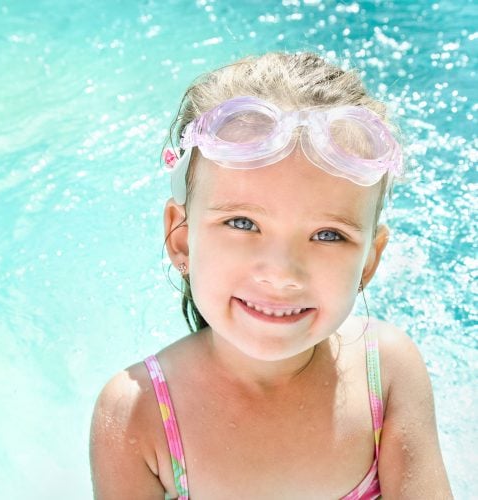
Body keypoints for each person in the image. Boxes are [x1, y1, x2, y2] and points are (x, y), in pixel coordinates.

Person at [90, 52, 452, 499]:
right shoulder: (137, 416)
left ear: (369, 262)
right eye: (243, 223)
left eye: (328, 234)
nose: (281, 274)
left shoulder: (389, 372)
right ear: (181, 240)